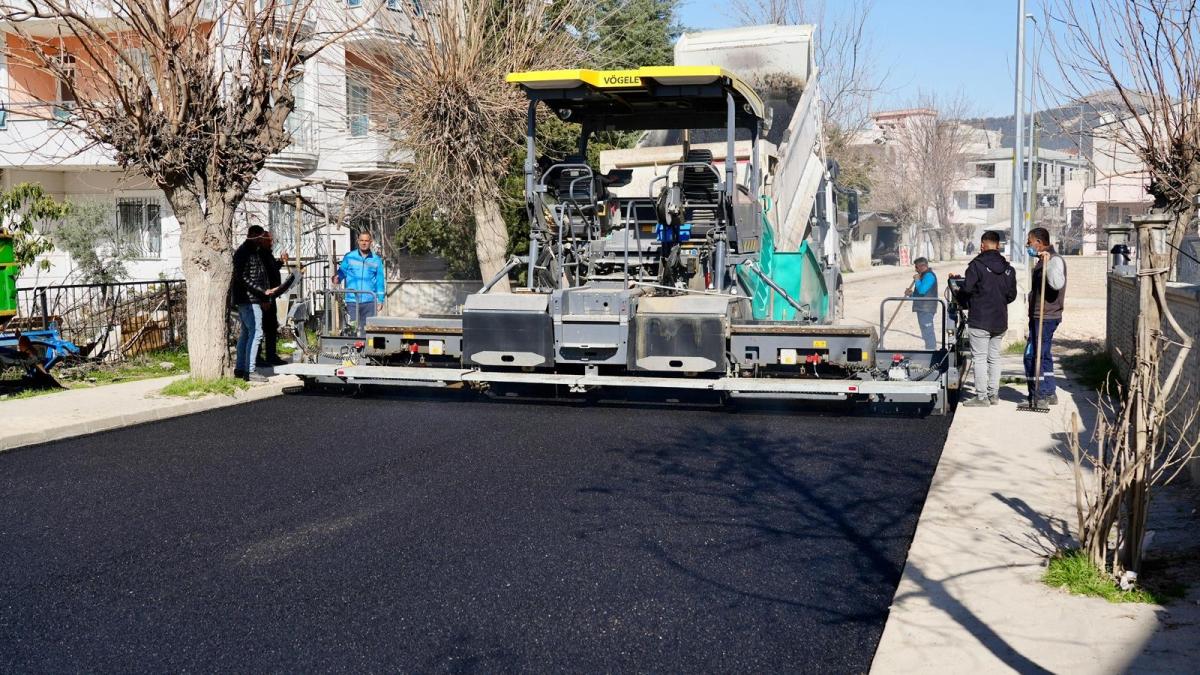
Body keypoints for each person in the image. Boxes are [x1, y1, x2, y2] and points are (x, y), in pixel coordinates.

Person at [956, 231, 1018, 407]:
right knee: (995, 358)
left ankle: (981, 397)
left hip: (980, 319)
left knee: (980, 358)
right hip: (1000, 320)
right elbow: (1011, 295)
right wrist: (998, 302)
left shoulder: (976, 266)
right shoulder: (1009, 269)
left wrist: (963, 300)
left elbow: (966, 289)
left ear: (982, 245)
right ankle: (994, 395)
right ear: (998, 246)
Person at [232, 225, 281, 382]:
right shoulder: (244, 252)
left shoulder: (254, 251)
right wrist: (262, 292)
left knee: (246, 334)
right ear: (253, 235)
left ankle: (241, 368)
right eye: (260, 237)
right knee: (256, 333)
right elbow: (242, 277)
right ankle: (250, 370)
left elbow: (259, 276)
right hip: (249, 300)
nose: (262, 240)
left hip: (251, 299)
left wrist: (264, 295)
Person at [1025, 227, 1067, 405]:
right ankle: (1049, 392)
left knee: (1033, 355)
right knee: (1045, 355)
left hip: (1046, 316)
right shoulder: (1042, 260)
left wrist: (1048, 263)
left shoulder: (1054, 260)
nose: (1027, 245)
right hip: (1040, 315)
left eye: (1029, 242)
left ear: (1039, 242)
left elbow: (1056, 283)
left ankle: (1039, 395)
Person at [332, 230, 386, 336]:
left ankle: (366, 347)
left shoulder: (376, 260)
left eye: (366, 241)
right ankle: (353, 346)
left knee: (368, 332)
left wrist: (380, 300)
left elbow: (380, 281)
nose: (364, 243)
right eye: (361, 240)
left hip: (370, 301)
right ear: (358, 241)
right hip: (352, 301)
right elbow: (342, 272)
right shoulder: (349, 257)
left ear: (370, 242)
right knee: (352, 330)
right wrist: (337, 278)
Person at [256, 230, 290, 368]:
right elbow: (260, 277)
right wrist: (263, 297)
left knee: (271, 327)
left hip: (272, 295)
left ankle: (271, 355)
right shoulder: (258, 255)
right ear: (261, 240)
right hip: (263, 297)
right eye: (268, 240)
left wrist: (281, 262)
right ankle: (257, 357)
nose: (271, 242)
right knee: (260, 327)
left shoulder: (267, 254)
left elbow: (272, 269)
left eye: (271, 240)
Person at [905, 257, 939, 349]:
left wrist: (917, 280)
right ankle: (929, 349)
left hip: (926, 309)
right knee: (925, 332)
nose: (915, 270)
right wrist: (911, 294)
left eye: (916, 267)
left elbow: (922, 290)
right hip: (922, 308)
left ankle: (931, 351)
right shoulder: (923, 276)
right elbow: (920, 295)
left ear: (922, 266)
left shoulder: (929, 276)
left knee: (928, 332)